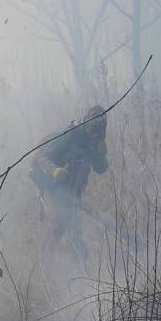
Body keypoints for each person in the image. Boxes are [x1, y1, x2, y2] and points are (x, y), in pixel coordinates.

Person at [29, 105, 108, 261]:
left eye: (100, 128)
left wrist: (101, 153)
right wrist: (54, 170)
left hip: (74, 188)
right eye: (94, 127)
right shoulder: (71, 135)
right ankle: (51, 259)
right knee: (68, 222)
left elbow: (101, 168)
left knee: (69, 223)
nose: (96, 132)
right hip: (55, 185)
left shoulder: (94, 143)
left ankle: (53, 258)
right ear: (88, 122)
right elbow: (43, 158)